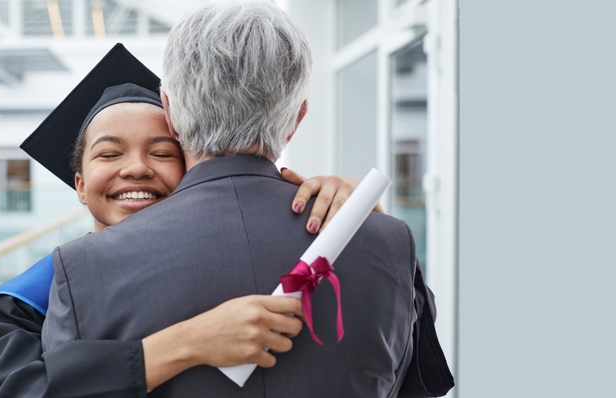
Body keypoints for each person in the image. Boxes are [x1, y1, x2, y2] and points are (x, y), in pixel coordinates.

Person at [42, 2, 453, 397]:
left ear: (170, 112)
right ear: (296, 118)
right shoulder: (388, 242)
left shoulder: (83, 268)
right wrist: (378, 230)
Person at [0, 45, 372, 397]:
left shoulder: (237, 255)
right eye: (109, 153)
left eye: (163, 152)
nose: (135, 169)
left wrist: (353, 213)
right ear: (79, 184)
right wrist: (184, 344)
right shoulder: (25, 301)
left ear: (192, 168)